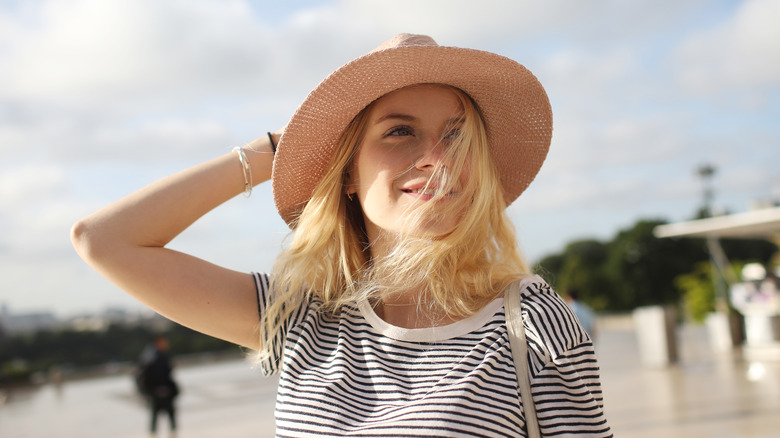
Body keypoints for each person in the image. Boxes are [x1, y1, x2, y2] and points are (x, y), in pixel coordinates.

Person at [72, 34, 612, 437]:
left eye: (456, 134)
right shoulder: (300, 317)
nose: (436, 157)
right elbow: (103, 240)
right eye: (400, 131)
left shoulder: (531, 325)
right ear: (347, 173)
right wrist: (284, 146)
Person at [137, 336, 179, 437]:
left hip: (162, 391)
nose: (165, 345)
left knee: (163, 414)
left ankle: (169, 433)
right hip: (156, 391)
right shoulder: (154, 358)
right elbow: (150, 376)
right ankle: (158, 434)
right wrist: (156, 389)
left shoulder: (155, 356)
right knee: (157, 415)